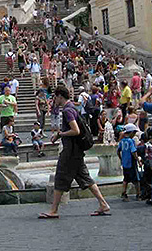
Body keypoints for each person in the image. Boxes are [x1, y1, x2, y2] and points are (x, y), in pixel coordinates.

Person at [39, 86, 111, 219]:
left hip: (70, 151)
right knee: (85, 177)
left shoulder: (67, 110)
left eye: (55, 96)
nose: (54, 99)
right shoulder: (72, 107)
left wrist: (61, 134)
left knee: (60, 177)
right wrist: (60, 135)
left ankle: (53, 210)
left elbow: (75, 130)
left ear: (60, 96)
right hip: (76, 150)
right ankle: (103, 204)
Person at [117, 123, 141, 201]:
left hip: (125, 163)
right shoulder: (131, 141)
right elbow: (133, 151)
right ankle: (138, 194)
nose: (134, 134)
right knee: (136, 180)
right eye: (134, 133)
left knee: (125, 179)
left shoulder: (122, 141)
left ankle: (124, 194)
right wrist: (138, 160)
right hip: (131, 163)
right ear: (131, 132)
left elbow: (118, 151)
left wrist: (121, 158)